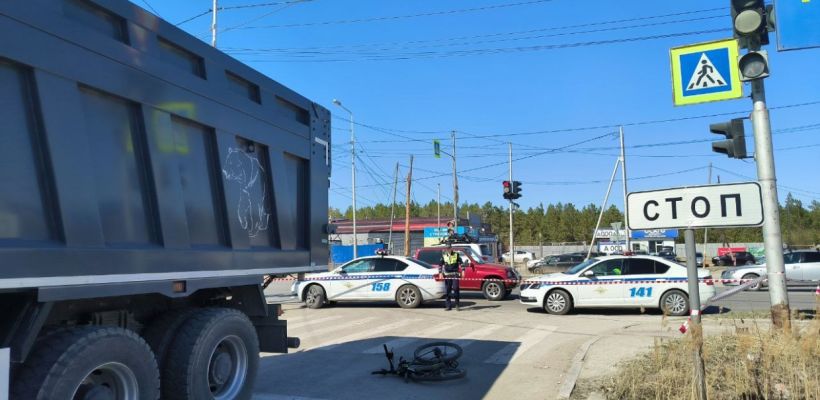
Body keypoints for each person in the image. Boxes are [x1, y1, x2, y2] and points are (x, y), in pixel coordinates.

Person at [439, 244, 463, 311]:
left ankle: (457, 305)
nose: (448, 249)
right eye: (447, 248)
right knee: (448, 290)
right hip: (447, 275)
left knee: (456, 288)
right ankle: (448, 306)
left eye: (449, 248)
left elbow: (461, 263)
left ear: (451, 248)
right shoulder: (444, 256)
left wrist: (463, 271)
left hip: (455, 274)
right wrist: (440, 273)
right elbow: (440, 265)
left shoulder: (456, 254)